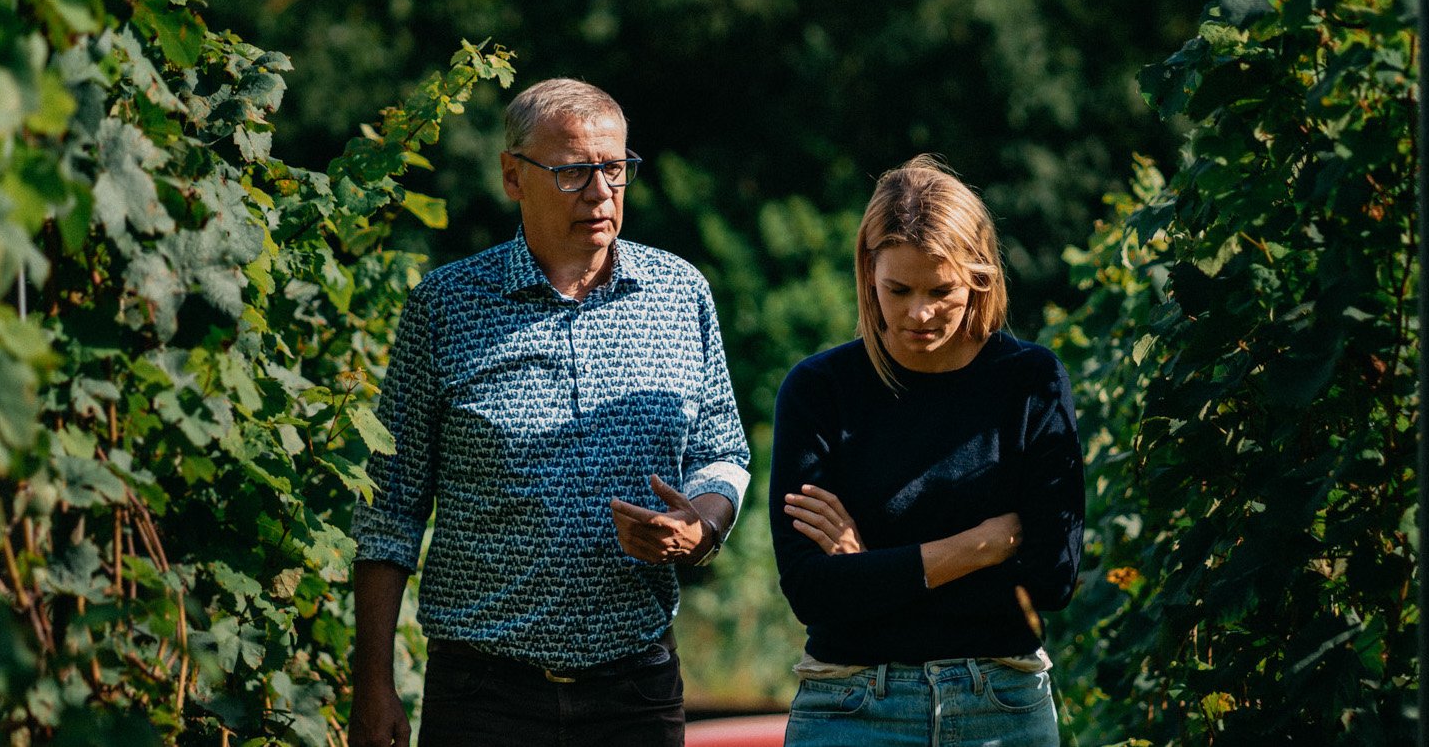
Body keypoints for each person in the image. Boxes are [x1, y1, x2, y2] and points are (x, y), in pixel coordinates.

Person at [348, 78, 752, 747]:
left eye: (615, 169)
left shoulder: (680, 294)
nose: (599, 193)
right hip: (483, 694)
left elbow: (723, 453)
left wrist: (701, 526)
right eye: (572, 172)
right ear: (513, 176)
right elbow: (388, 508)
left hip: (636, 687)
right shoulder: (446, 308)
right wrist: (372, 685)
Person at [769, 156, 1085, 746]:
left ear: (979, 277)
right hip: (853, 706)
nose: (919, 313)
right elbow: (812, 591)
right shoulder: (819, 390)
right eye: (899, 289)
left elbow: (1052, 578)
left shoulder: (1030, 381)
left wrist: (869, 566)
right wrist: (980, 545)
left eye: (941, 291)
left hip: (1002, 704)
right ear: (868, 275)